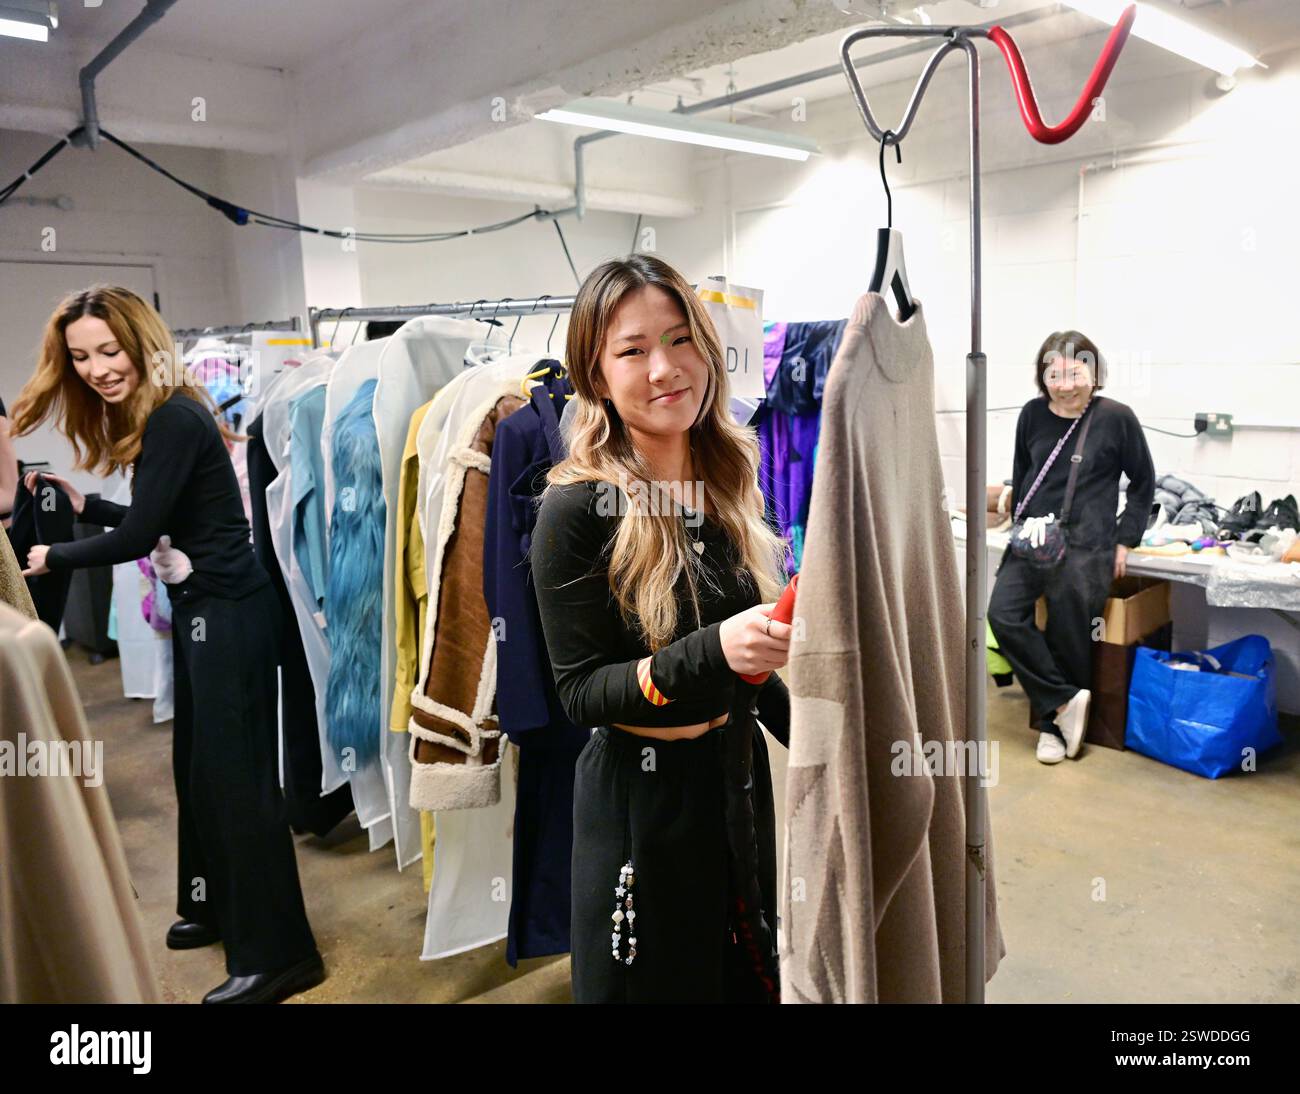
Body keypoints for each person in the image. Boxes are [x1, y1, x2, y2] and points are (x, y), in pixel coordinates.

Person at [10, 285, 324, 1003]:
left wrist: (52, 557)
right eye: (81, 356)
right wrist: (89, 506)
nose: (96, 369)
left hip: (231, 617)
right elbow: (158, 519)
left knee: (238, 785)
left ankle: (281, 953)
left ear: (141, 343)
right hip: (203, 611)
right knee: (198, 771)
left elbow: (134, 539)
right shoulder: (163, 415)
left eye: (109, 351)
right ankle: (212, 902)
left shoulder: (175, 418)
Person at [530, 254, 793, 1003]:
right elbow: (581, 693)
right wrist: (714, 650)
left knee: (744, 980)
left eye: (680, 340)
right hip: (643, 808)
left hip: (736, 780)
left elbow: (745, 665)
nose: (664, 368)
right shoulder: (576, 509)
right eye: (633, 350)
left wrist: (823, 743)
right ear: (595, 376)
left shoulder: (723, 481)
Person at [988, 330, 1155, 765]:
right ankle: (1064, 703)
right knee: (1002, 615)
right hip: (1033, 539)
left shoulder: (1117, 418)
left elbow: (1143, 484)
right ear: (1042, 376)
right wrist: (1014, 524)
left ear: (1094, 373)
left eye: (1075, 372)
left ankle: (1054, 731)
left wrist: (1125, 539)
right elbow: (1022, 478)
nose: (1064, 384)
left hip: (1087, 546)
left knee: (1068, 634)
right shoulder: (1030, 415)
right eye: (1054, 374)